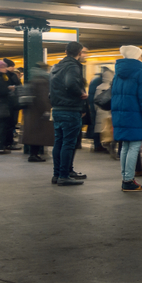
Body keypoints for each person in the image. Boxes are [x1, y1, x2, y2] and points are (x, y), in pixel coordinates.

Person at [111, 45, 142, 192]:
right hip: (136, 116)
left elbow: (114, 97)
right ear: (137, 56)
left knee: (125, 147)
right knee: (134, 148)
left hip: (120, 116)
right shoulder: (141, 74)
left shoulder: (117, 74)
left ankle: (126, 178)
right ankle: (129, 180)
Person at [50, 42, 90, 185]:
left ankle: (57, 174)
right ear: (79, 53)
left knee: (59, 142)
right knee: (68, 143)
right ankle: (64, 176)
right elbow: (71, 83)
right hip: (70, 109)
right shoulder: (73, 66)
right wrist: (81, 94)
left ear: (66, 51)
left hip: (57, 108)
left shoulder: (56, 67)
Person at [22, 62, 54, 162]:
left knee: (34, 134)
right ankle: (34, 155)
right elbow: (43, 98)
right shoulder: (43, 81)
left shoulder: (33, 79)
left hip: (31, 112)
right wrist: (46, 110)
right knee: (38, 134)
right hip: (38, 113)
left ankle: (33, 154)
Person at [2, 58, 22, 151]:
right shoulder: (8, 76)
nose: (13, 68)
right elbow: (18, 86)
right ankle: (8, 143)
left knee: (10, 124)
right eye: (11, 66)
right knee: (10, 124)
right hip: (11, 103)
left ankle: (8, 142)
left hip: (11, 103)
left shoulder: (9, 75)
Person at [86, 68, 107, 153]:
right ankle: (98, 145)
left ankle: (97, 144)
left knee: (95, 125)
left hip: (93, 106)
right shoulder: (101, 83)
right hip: (99, 107)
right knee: (99, 126)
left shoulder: (94, 80)